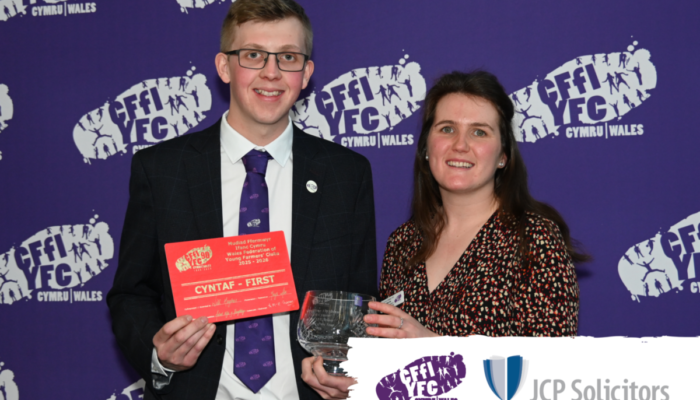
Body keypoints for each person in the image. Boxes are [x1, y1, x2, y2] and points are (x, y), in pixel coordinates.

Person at [106, 1, 377, 399]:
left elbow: (358, 301)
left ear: (306, 74)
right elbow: (132, 293)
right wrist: (160, 355)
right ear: (224, 67)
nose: (271, 72)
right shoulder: (162, 170)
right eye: (253, 55)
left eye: (288, 57)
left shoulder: (346, 174)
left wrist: (345, 370)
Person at [302, 71, 584, 399]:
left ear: (503, 155)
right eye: (447, 129)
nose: (460, 145)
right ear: (426, 148)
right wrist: (358, 387)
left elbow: (550, 375)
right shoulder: (403, 243)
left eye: (479, 132)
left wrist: (434, 347)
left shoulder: (535, 239)